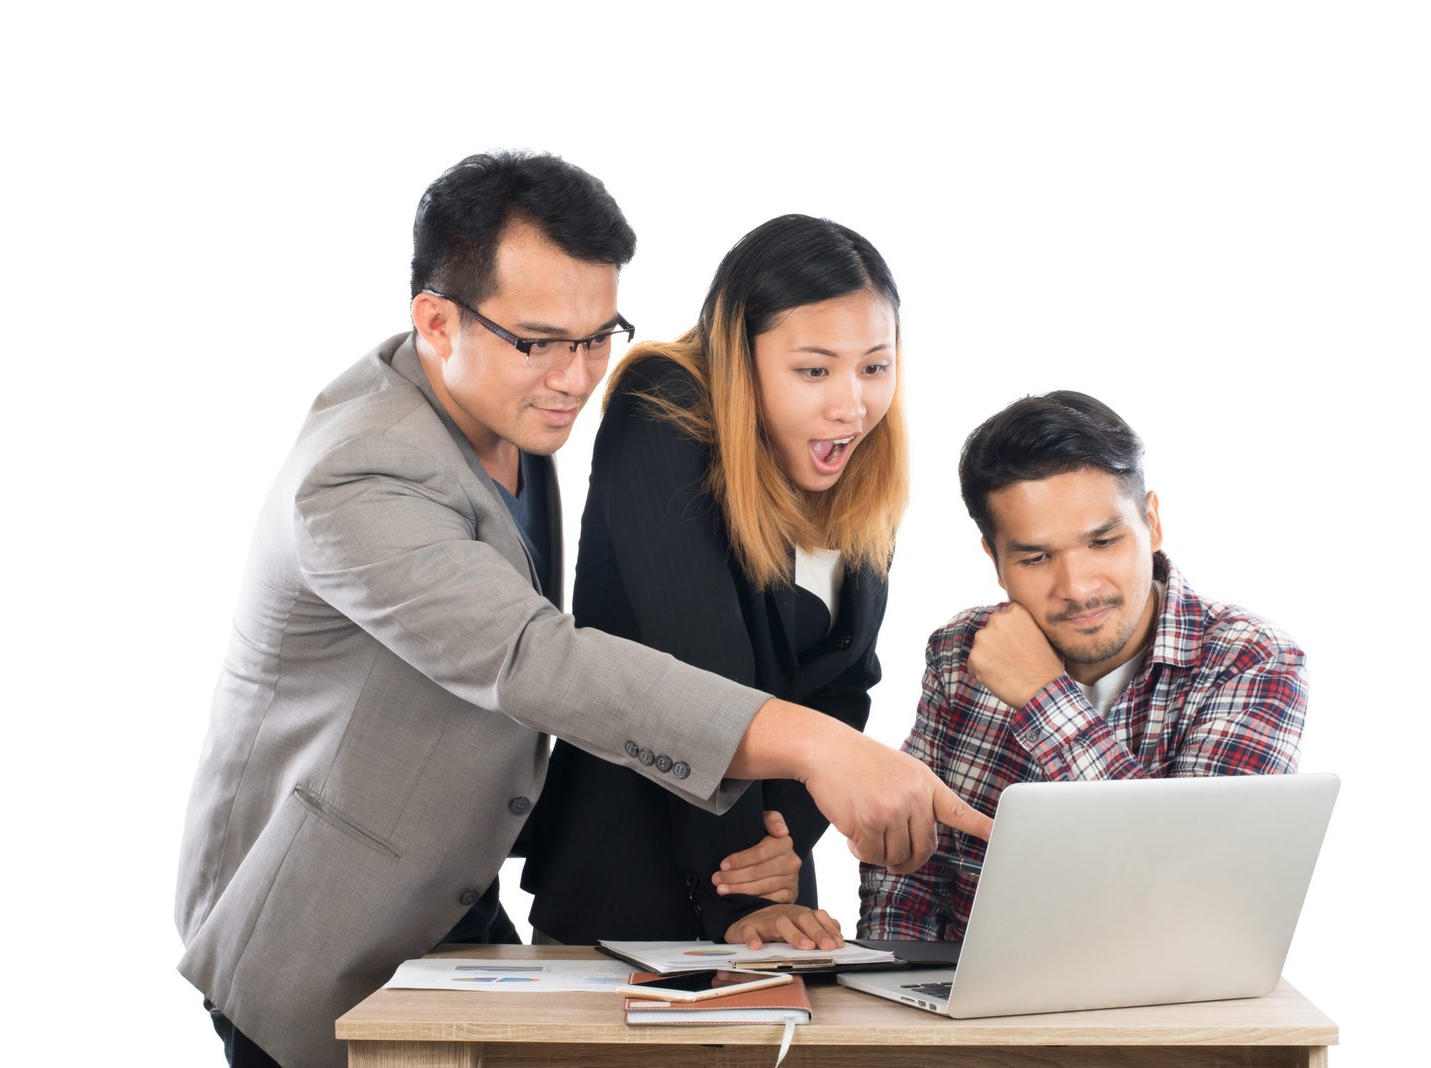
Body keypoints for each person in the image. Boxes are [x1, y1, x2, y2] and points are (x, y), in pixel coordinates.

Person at [175, 152, 990, 1068]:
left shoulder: (506, 408)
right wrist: (817, 746)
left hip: (457, 903)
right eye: (540, 342)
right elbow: (534, 656)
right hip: (318, 921)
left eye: (597, 337)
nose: (575, 376)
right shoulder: (361, 471)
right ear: (436, 321)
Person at [524, 215, 906, 951]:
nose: (851, 405)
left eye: (874, 367)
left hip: (771, 897)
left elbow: (846, 684)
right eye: (815, 370)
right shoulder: (661, 403)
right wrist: (744, 890)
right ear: (740, 354)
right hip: (628, 886)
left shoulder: (855, 466)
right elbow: (701, 660)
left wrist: (782, 849)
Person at [857, 391, 1307, 942]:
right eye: (1036, 557)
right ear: (995, 560)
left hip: (1162, 993)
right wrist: (889, 978)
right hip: (968, 988)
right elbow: (911, 874)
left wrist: (1043, 696)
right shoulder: (961, 651)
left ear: (1152, 522)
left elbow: (1190, 892)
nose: (1077, 588)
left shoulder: (1251, 660)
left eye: (1103, 542)